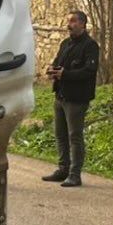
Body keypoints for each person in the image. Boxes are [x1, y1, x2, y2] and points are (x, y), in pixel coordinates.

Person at [42, 10, 99, 188]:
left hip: (77, 98)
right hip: (60, 94)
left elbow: (89, 71)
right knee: (60, 134)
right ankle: (63, 169)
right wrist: (52, 69)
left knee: (74, 135)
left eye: (73, 21)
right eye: (68, 21)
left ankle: (75, 174)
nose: (69, 25)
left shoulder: (90, 46)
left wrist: (65, 74)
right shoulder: (66, 43)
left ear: (83, 24)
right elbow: (58, 60)